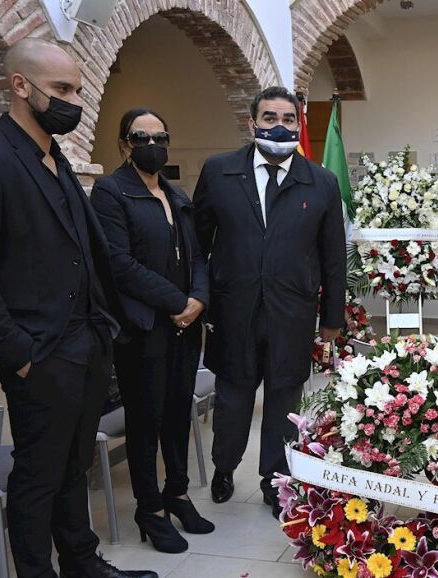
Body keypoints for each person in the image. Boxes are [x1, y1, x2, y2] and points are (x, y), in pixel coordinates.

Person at [0, 38, 156, 578]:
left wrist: (106, 327)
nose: (73, 102)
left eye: (77, 90)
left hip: (87, 341)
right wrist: (17, 353)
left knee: (74, 466)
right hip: (38, 351)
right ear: (20, 86)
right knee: (39, 473)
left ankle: (81, 562)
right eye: (62, 89)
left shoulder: (56, 159)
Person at [193, 86, 347, 515]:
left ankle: (274, 480)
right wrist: (200, 298)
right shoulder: (219, 171)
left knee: (284, 401)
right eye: (269, 118)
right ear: (252, 123)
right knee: (232, 399)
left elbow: (333, 257)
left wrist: (332, 318)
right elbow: (197, 244)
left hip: (292, 313)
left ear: (299, 124)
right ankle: (225, 468)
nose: (279, 126)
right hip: (233, 311)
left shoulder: (321, 182)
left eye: (288, 119)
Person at [90, 109, 213, 553]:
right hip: (144, 329)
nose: (152, 145)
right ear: (125, 144)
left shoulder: (176, 194)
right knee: (146, 420)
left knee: (179, 413)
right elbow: (118, 264)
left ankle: (177, 493)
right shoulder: (110, 191)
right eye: (141, 137)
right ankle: (149, 508)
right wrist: (178, 302)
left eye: (160, 137)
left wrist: (198, 298)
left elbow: (198, 255)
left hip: (185, 326)